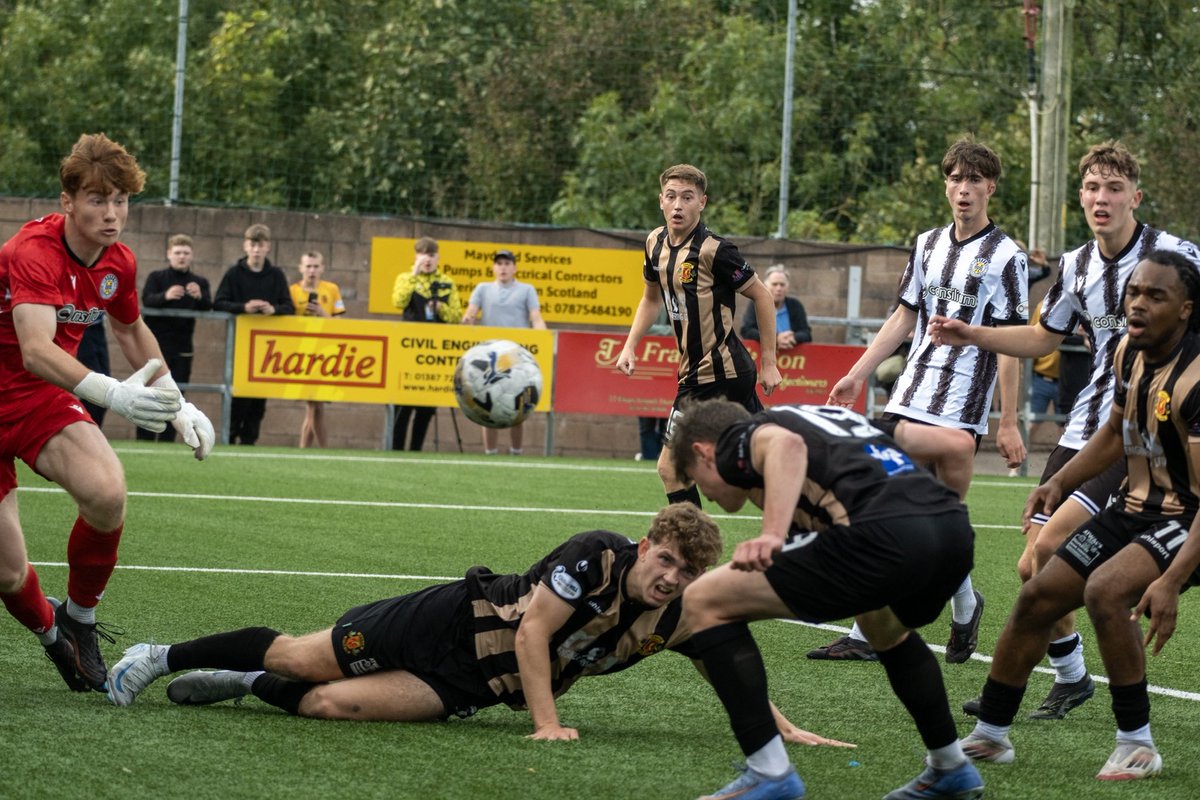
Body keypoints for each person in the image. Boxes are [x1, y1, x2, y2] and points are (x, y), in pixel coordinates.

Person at [104, 505, 850, 751]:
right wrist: (547, 724)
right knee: (304, 656)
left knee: (332, 705)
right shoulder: (595, 556)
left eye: (686, 572)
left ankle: (243, 684)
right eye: (666, 561)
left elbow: (726, 664)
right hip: (448, 622)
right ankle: (159, 654)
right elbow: (532, 638)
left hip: (469, 683)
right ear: (647, 542)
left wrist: (777, 725)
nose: (671, 578)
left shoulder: (673, 613)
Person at [930, 141, 1200, 720]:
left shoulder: (1174, 256)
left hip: (1141, 432)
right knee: (1032, 567)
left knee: (1053, 552)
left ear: (1135, 197)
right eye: (1092, 189)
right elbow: (1041, 338)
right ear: (1080, 197)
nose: (1101, 200)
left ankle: (1050, 702)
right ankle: (1074, 676)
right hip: (1089, 428)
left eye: (1113, 189)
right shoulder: (1076, 265)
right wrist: (971, 333)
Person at [959, 251, 1200, 780]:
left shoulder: (1197, 379)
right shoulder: (1127, 353)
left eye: (1155, 296)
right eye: (1134, 292)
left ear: (1186, 310)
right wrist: (1059, 481)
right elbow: (1115, 432)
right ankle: (991, 735)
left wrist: (1174, 576)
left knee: (1105, 591)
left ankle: (1137, 744)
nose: (1137, 304)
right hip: (1131, 511)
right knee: (1037, 596)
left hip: (1187, 520)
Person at [670, 399, 983, 800]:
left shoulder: (734, 439)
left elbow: (785, 447)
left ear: (703, 452)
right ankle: (950, 767)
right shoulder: (837, 421)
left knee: (702, 600)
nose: (703, 495)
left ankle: (769, 773)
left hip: (880, 537)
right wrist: (935, 524)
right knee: (881, 627)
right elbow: (956, 445)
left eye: (693, 478)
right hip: (953, 536)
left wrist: (773, 534)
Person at [0, 132, 214, 693]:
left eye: (120, 200)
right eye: (98, 199)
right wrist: (112, 394)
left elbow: (129, 328)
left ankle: (80, 618)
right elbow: (37, 347)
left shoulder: (118, 260)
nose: (112, 212)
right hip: (32, 377)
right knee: (6, 572)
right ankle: (52, 637)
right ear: (67, 201)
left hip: (36, 398)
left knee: (107, 492)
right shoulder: (33, 251)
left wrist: (179, 403)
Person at [813, 137, 1029, 664]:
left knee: (938, 518)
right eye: (956, 179)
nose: (964, 190)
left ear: (990, 188)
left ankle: (958, 608)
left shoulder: (1007, 257)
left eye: (974, 180)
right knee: (892, 508)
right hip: (910, 391)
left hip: (961, 404)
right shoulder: (927, 243)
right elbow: (904, 316)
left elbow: (1013, 342)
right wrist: (855, 375)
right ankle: (903, 625)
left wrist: (1007, 421)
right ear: (946, 185)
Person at [616, 164, 782, 508]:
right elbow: (650, 299)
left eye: (687, 198)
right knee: (759, 466)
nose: (678, 205)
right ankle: (811, 522)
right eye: (672, 196)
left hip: (716, 373)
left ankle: (689, 556)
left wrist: (770, 363)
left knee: (671, 468)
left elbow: (763, 296)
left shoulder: (715, 250)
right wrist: (630, 346)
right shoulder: (654, 243)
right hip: (712, 372)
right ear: (661, 200)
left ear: (702, 203)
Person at [213, 223, 294, 445]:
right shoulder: (234, 273)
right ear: (246, 246)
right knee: (237, 396)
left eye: (261, 245)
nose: (257, 250)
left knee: (258, 400)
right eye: (253, 245)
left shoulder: (276, 275)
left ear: (268, 247)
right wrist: (244, 307)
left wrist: (273, 310)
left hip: (267, 348)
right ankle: (228, 438)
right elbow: (218, 303)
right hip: (239, 344)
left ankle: (250, 442)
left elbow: (289, 306)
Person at [462, 248, 547, 455]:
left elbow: (535, 317)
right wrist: (467, 320)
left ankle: (516, 452)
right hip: (489, 358)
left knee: (517, 404)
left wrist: (543, 338)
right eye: (499, 264)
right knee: (488, 403)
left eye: (507, 264)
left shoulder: (527, 290)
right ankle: (490, 452)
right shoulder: (482, 289)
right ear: (493, 268)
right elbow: (470, 313)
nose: (503, 268)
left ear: (514, 268)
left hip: (516, 359)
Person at [139, 233, 212, 443]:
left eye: (186, 253)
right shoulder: (157, 278)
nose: (182, 257)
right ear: (168, 254)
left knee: (176, 395)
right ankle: (143, 439)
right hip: (154, 348)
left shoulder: (199, 281)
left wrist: (200, 297)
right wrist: (166, 296)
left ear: (192, 256)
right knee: (147, 395)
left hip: (183, 348)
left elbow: (210, 305)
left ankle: (167, 441)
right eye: (178, 252)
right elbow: (147, 300)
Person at [391, 237, 461, 451]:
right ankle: (395, 449)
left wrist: (441, 308)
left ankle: (416, 450)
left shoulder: (447, 282)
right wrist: (414, 276)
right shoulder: (405, 278)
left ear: (438, 257)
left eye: (431, 255)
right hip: (409, 348)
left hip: (433, 350)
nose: (427, 259)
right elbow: (398, 302)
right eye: (422, 255)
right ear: (416, 256)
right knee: (403, 404)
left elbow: (456, 315)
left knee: (426, 406)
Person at [289, 251, 345, 449]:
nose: (312, 271)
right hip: (301, 354)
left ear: (322, 268)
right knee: (313, 404)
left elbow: (339, 324)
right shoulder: (293, 291)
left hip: (326, 354)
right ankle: (321, 450)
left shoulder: (332, 289)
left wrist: (322, 313)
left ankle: (305, 450)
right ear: (301, 268)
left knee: (315, 406)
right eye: (308, 266)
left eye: (315, 266)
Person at [740, 265, 812, 351]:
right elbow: (746, 331)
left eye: (782, 285)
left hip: (793, 359)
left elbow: (806, 333)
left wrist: (793, 338)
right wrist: (776, 339)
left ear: (787, 287)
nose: (778, 288)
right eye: (774, 284)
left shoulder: (795, 305)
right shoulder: (756, 304)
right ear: (765, 286)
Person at [75, 317, 111, 426]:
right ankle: (84, 428)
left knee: (105, 386)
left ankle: (92, 429)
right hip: (80, 326)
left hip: (97, 326)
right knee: (96, 389)